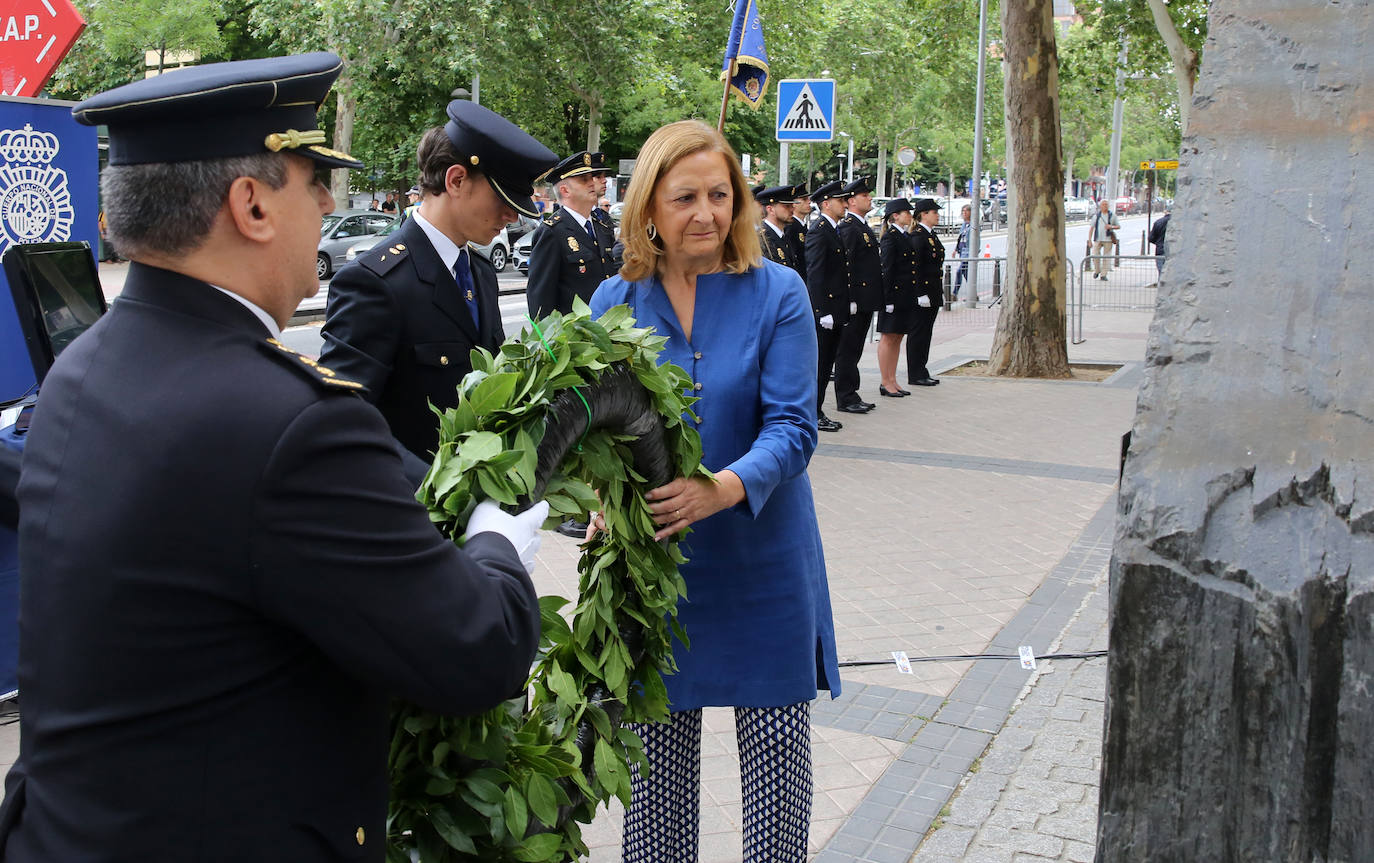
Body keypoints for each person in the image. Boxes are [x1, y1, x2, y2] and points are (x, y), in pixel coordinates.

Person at [0, 53, 546, 862]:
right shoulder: (295, 422)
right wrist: (498, 540)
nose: (329, 202)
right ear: (251, 203)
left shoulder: (85, 363)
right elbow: (480, 650)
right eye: (311, 178)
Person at [588, 118, 839, 863]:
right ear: (648, 209)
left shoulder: (779, 292)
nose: (706, 213)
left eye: (721, 194)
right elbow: (599, 431)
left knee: (776, 771)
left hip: (765, 567)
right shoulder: (614, 301)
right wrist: (605, 499)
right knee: (657, 784)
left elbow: (795, 427)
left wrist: (720, 487)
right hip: (662, 576)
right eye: (685, 196)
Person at [319, 100, 557, 482]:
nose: (512, 216)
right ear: (456, 180)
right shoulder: (374, 282)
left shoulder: (480, 273)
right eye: (502, 200)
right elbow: (341, 421)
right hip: (407, 517)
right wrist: (435, 492)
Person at [525, 150, 618, 320]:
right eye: (584, 180)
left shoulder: (601, 225)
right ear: (565, 190)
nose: (591, 183)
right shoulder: (552, 232)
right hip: (575, 338)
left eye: (592, 178)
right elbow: (540, 300)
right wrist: (550, 343)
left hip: (609, 331)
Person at [804, 180, 852, 432]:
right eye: (840, 200)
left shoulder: (833, 229)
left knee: (827, 363)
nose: (845, 204)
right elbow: (816, 274)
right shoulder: (819, 230)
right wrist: (821, 311)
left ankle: (817, 409)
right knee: (820, 367)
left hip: (837, 310)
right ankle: (814, 412)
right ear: (826, 203)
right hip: (826, 313)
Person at [833, 177, 881, 415]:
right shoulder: (849, 228)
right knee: (848, 350)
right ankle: (846, 396)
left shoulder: (861, 226)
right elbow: (847, 265)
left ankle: (852, 392)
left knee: (855, 349)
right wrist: (850, 297)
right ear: (852, 201)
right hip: (855, 300)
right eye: (864, 195)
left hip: (865, 299)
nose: (869, 198)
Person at [875, 197, 917, 397]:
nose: (910, 216)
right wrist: (887, 299)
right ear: (895, 216)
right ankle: (885, 381)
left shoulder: (905, 236)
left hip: (904, 296)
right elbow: (887, 270)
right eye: (906, 213)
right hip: (893, 296)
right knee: (888, 338)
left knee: (898, 337)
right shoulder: (890, 237)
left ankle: (893, 379)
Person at [907, 197, 945, 387]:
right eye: (934, 212)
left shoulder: (931, 235)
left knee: (926, 333)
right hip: (923, 294)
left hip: (933, 292)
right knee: (918, 333)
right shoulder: (918, 236)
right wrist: (920, 292)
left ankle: (922, 369)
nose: (937, 215)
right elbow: (917, 268)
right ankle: (915, 373)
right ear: (924, 214)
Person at [755, 184, 799, 274]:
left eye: (792, 205)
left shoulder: (783, 236)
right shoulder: (761, 238)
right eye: (787, 206)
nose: (792, 210)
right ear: (770, 210)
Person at [1089, 198, 1120, 280]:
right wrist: (1089, 239)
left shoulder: (1112, 215)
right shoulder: (1096, 216)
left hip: (1108, 239)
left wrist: (1111, 227)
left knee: (1106, 257)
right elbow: (1091, 228)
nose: (1105, 206)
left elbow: (1118, 226)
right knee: (1095, 255)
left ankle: (1103, 274)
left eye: (1106, 204)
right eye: (1103, 204)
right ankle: (1097, 270)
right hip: (1098, 238)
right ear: (1100, 206)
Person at [785, 184, 809, 274]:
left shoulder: (802, 226)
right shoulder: (791, 227)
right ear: (794, 204)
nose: (809, 202)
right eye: (804, 199)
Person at [953, 202, 972, 298]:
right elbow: (960, 238)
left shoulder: (973, 225)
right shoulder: (964, 225)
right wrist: (956, 249)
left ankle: (954, 293)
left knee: (959, 271)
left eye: (966, 211)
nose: (964, 213)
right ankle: (973, 293)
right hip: (962, 252)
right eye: (963, 211)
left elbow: (975, 240)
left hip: (968, 253)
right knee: (967, 274)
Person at [1149, 209, 1171, 275]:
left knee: (1161, 273)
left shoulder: (1158, 222)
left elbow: (1151, 238)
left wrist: (1158, 243)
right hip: (1174, 252)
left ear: (1165, 211)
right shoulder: (1179, 223)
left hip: (1160, 250)